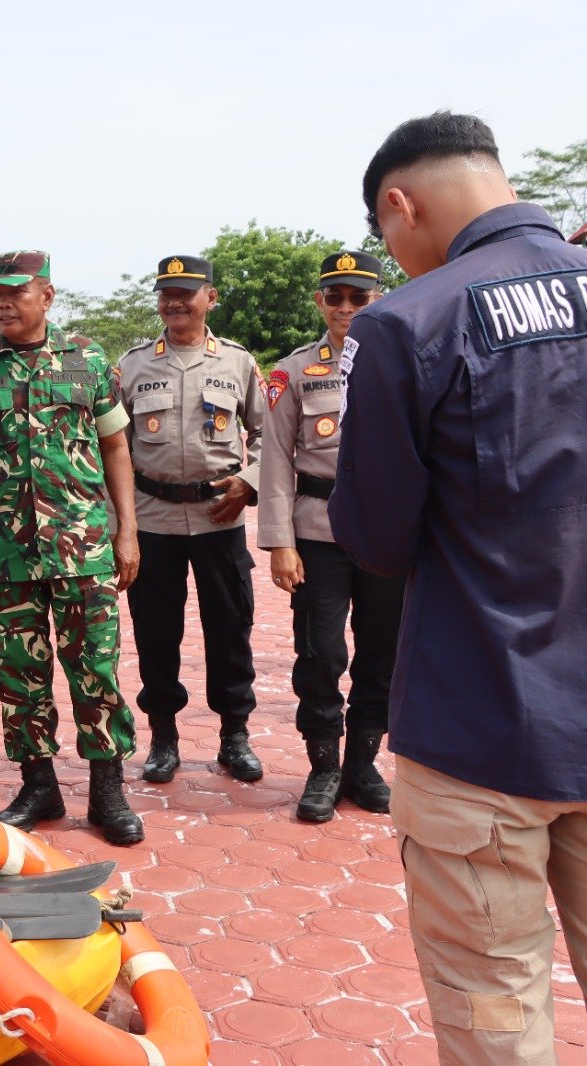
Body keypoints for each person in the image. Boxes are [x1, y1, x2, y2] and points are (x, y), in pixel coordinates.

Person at [331, 111, 587, 1064]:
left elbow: (378, 538)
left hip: (482, 722)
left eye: (384, 236)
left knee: (498, 1014)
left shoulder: (411, 322)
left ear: (402, 203)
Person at [0, 251, 145, 845]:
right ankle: (39, 785)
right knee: (19, 675)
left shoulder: (89, 361)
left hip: (83, 548)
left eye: (16, 293)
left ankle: (108, 791)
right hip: (9, 554)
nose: (3, 304)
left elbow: (116, 449)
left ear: (47, 296)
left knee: (95, 671)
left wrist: (126, 529)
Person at [257, 251, 402, 823]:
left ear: (377, 299)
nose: (345, 307)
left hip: (386, 530)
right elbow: (273, 460)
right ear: (319, 301)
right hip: (317, 528)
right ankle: (323, 767)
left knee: (381, 651)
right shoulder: (293, 371)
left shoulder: (400, 362)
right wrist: (279, 542)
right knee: (320, 653)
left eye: (357, 297)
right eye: (334, 296)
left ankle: (363, 765)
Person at [116, 256, 265, 785]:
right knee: (157, 633)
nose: (175, 302)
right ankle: (163, 737)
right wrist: (122, 526)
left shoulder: (238, 364)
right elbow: (114, 447)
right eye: (166, 294)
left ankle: (234, 736)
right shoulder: (132, 365)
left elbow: (269, 435)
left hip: (219, 519)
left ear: (211, 297)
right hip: (153, 519)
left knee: (230, 631)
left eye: (186, 292)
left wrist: (249, 480)